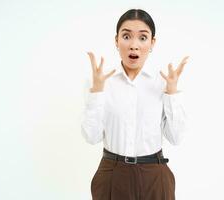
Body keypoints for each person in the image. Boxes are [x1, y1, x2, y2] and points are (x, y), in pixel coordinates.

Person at [81, 8, 190, 200]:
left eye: (142, 37)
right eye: (126, 36)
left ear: (152, 43)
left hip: (155, 175)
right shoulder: (100, 81)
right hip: (112, 174)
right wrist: (97, 92)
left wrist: (172, 92)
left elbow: (176, 138)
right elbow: (91, 137)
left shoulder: (163, 81)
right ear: (116, 41)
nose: (134, 45)